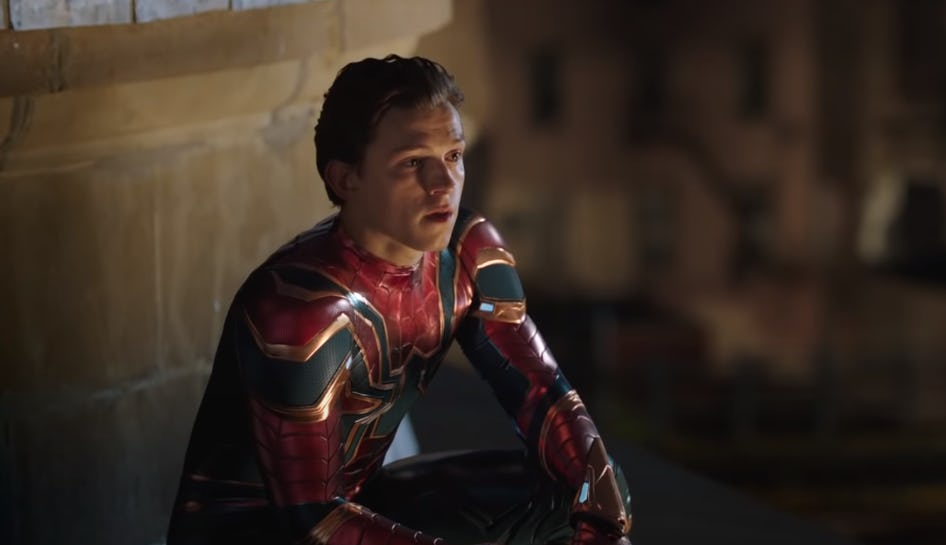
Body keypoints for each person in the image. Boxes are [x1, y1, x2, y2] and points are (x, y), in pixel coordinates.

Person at [167, 54, 633, 545]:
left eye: (453, 155)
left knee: (582, 489)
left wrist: (603, 518)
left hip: (361, 503)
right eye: (413, 163)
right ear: (345, 178)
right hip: (261, 533)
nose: (444, 184)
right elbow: (313, 519)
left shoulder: (468, 253)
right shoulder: (299, 311)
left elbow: (541, 392)